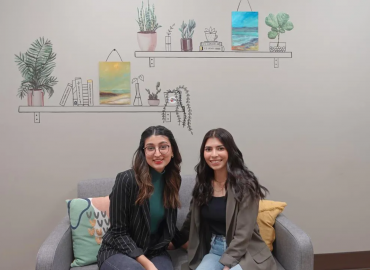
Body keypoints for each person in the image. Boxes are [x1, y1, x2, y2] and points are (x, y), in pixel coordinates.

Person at [179, 128, 277, 270]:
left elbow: (243, 234)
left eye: (220, 148)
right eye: (208, 149)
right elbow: (191, 220)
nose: (214, 154)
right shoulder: (203, 185)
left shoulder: (245, 186)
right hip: (216, 248)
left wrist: (227, 265)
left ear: (230, 151)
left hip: (246, 251)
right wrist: (175, 242)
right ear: (203, 153)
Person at [97, 125, 185, 270]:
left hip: (154, 250)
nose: (157, 153)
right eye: (150, 148)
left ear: (173, 150)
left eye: (163, 147)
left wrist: (196, 248)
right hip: (118, 250)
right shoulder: (126, 179)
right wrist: (148, 265)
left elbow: (168, 226)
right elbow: (119, 232)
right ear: (143, 152)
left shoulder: (173, 180)